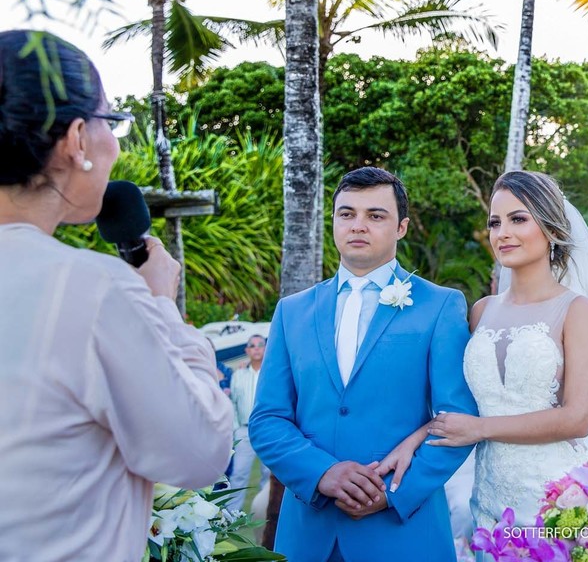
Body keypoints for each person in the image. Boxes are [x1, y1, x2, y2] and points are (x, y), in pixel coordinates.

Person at [0, 30, 233, 562]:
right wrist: (162, 310)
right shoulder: (93, 289)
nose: (115, 144)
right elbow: (202, 452)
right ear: (77, 138)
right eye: (112, 122)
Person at [249, 167, 478, 562]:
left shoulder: (440, 305)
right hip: (309, 532)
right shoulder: (292, 312)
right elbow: (267, 419)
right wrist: (322, 473)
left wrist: (391, 493)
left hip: (403, 533)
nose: (358, 225)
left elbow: (457, 416)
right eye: (347, 213)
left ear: (401, 227)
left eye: (375, 215)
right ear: (333, 221)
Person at [377, 171, 588, 530]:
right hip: (489, 501)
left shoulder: (576, 309)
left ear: (552, 230)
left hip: (554, 502)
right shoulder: (481, 310)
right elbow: (466, 408)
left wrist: (480, 429)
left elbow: (577, 419)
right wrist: (415, 439)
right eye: (495, 223)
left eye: (518, 219)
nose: (502, 233)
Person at [228, 335, 269, 507]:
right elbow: (233, 403)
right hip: (245, 431)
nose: (257, 348)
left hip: (268, 429)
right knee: (238, 474)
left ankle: (266, 513)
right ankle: (231, 516)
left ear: (266, 348)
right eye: (252, 345)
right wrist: (236, 429)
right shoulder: (239, 374)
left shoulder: (272, 372)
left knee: (270, 475)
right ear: (247, 350)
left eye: (260, 345)